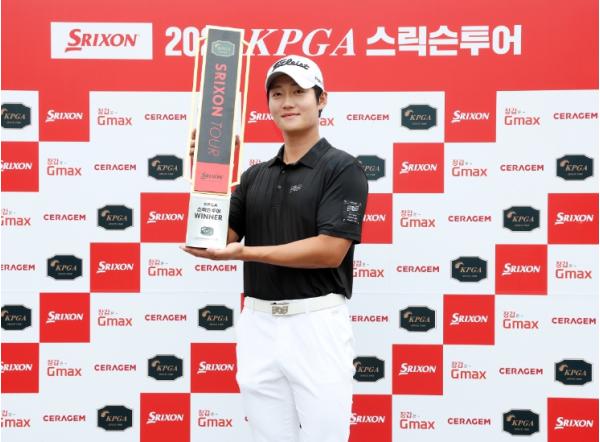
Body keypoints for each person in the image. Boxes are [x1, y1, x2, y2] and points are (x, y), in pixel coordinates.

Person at [182, 54, 368, 442]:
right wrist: (208, 174)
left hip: (316, 323)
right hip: (258, 323)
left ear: (321, 99)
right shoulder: (254, 177)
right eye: (278, 93)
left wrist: (248, 253)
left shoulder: (342, 168)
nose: (287, 102)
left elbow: (329, 251)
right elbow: (212, 240)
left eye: (299, 92)